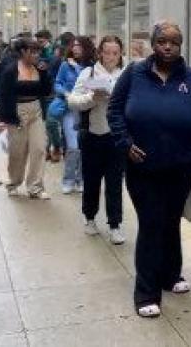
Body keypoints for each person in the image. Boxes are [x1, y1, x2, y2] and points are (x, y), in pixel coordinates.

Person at [107, 21, 191, 318]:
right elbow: (114, 110)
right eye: (162, 41)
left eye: (174, 42)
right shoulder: (134, 74)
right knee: (152, 224)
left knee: (170, 221)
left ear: (181, 46)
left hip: (181, 168)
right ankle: (146, 292)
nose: (168, 46)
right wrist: (125, 142)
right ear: (153, 44)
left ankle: (171, 275)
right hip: (142, 167)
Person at [67, 35, 126, 244]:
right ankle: (90, 217)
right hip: (92, 135)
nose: (110, 57)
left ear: (120, 54)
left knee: (115, 183)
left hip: (117, 137)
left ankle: (115, 224)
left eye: (115, 53)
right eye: (107, 52)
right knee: (91, 180)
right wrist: (92, 99)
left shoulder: (126, 74)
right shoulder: (88, 73)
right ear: (100, 52)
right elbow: (73, 101)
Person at [0, 38, 52, 199]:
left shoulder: (39, 69)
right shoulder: (10, 70)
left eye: (37, 52)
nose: (36, 55)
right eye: (32, 52)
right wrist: (1, 120)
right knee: (17, 152)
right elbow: (3, 96)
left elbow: (47, 90)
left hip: (36, 111)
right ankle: (13, 182)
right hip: (17, 113)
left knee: (39, 148)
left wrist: (44, 73)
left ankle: (35, 186)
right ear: (23, 52)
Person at [55, 35, 94, 194]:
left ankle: (81, 179)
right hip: (70, 109)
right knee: (73, 146)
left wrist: (77, 68)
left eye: (79, 45)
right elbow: (57, 83)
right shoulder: (65, 65)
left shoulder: (92, 67)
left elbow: (88, 83)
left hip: (86, 109)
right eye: (73, 45)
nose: (75, 48)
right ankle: (69, 179)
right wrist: (64, 93)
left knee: (84, 147)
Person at [45, 32, 73, 162]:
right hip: (57, 96)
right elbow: (54, 79)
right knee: (53, 123)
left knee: (64, 126)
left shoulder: (69, 60)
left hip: (70, 99)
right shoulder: (59, 60)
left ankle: (62, 150)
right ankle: (56, 147)